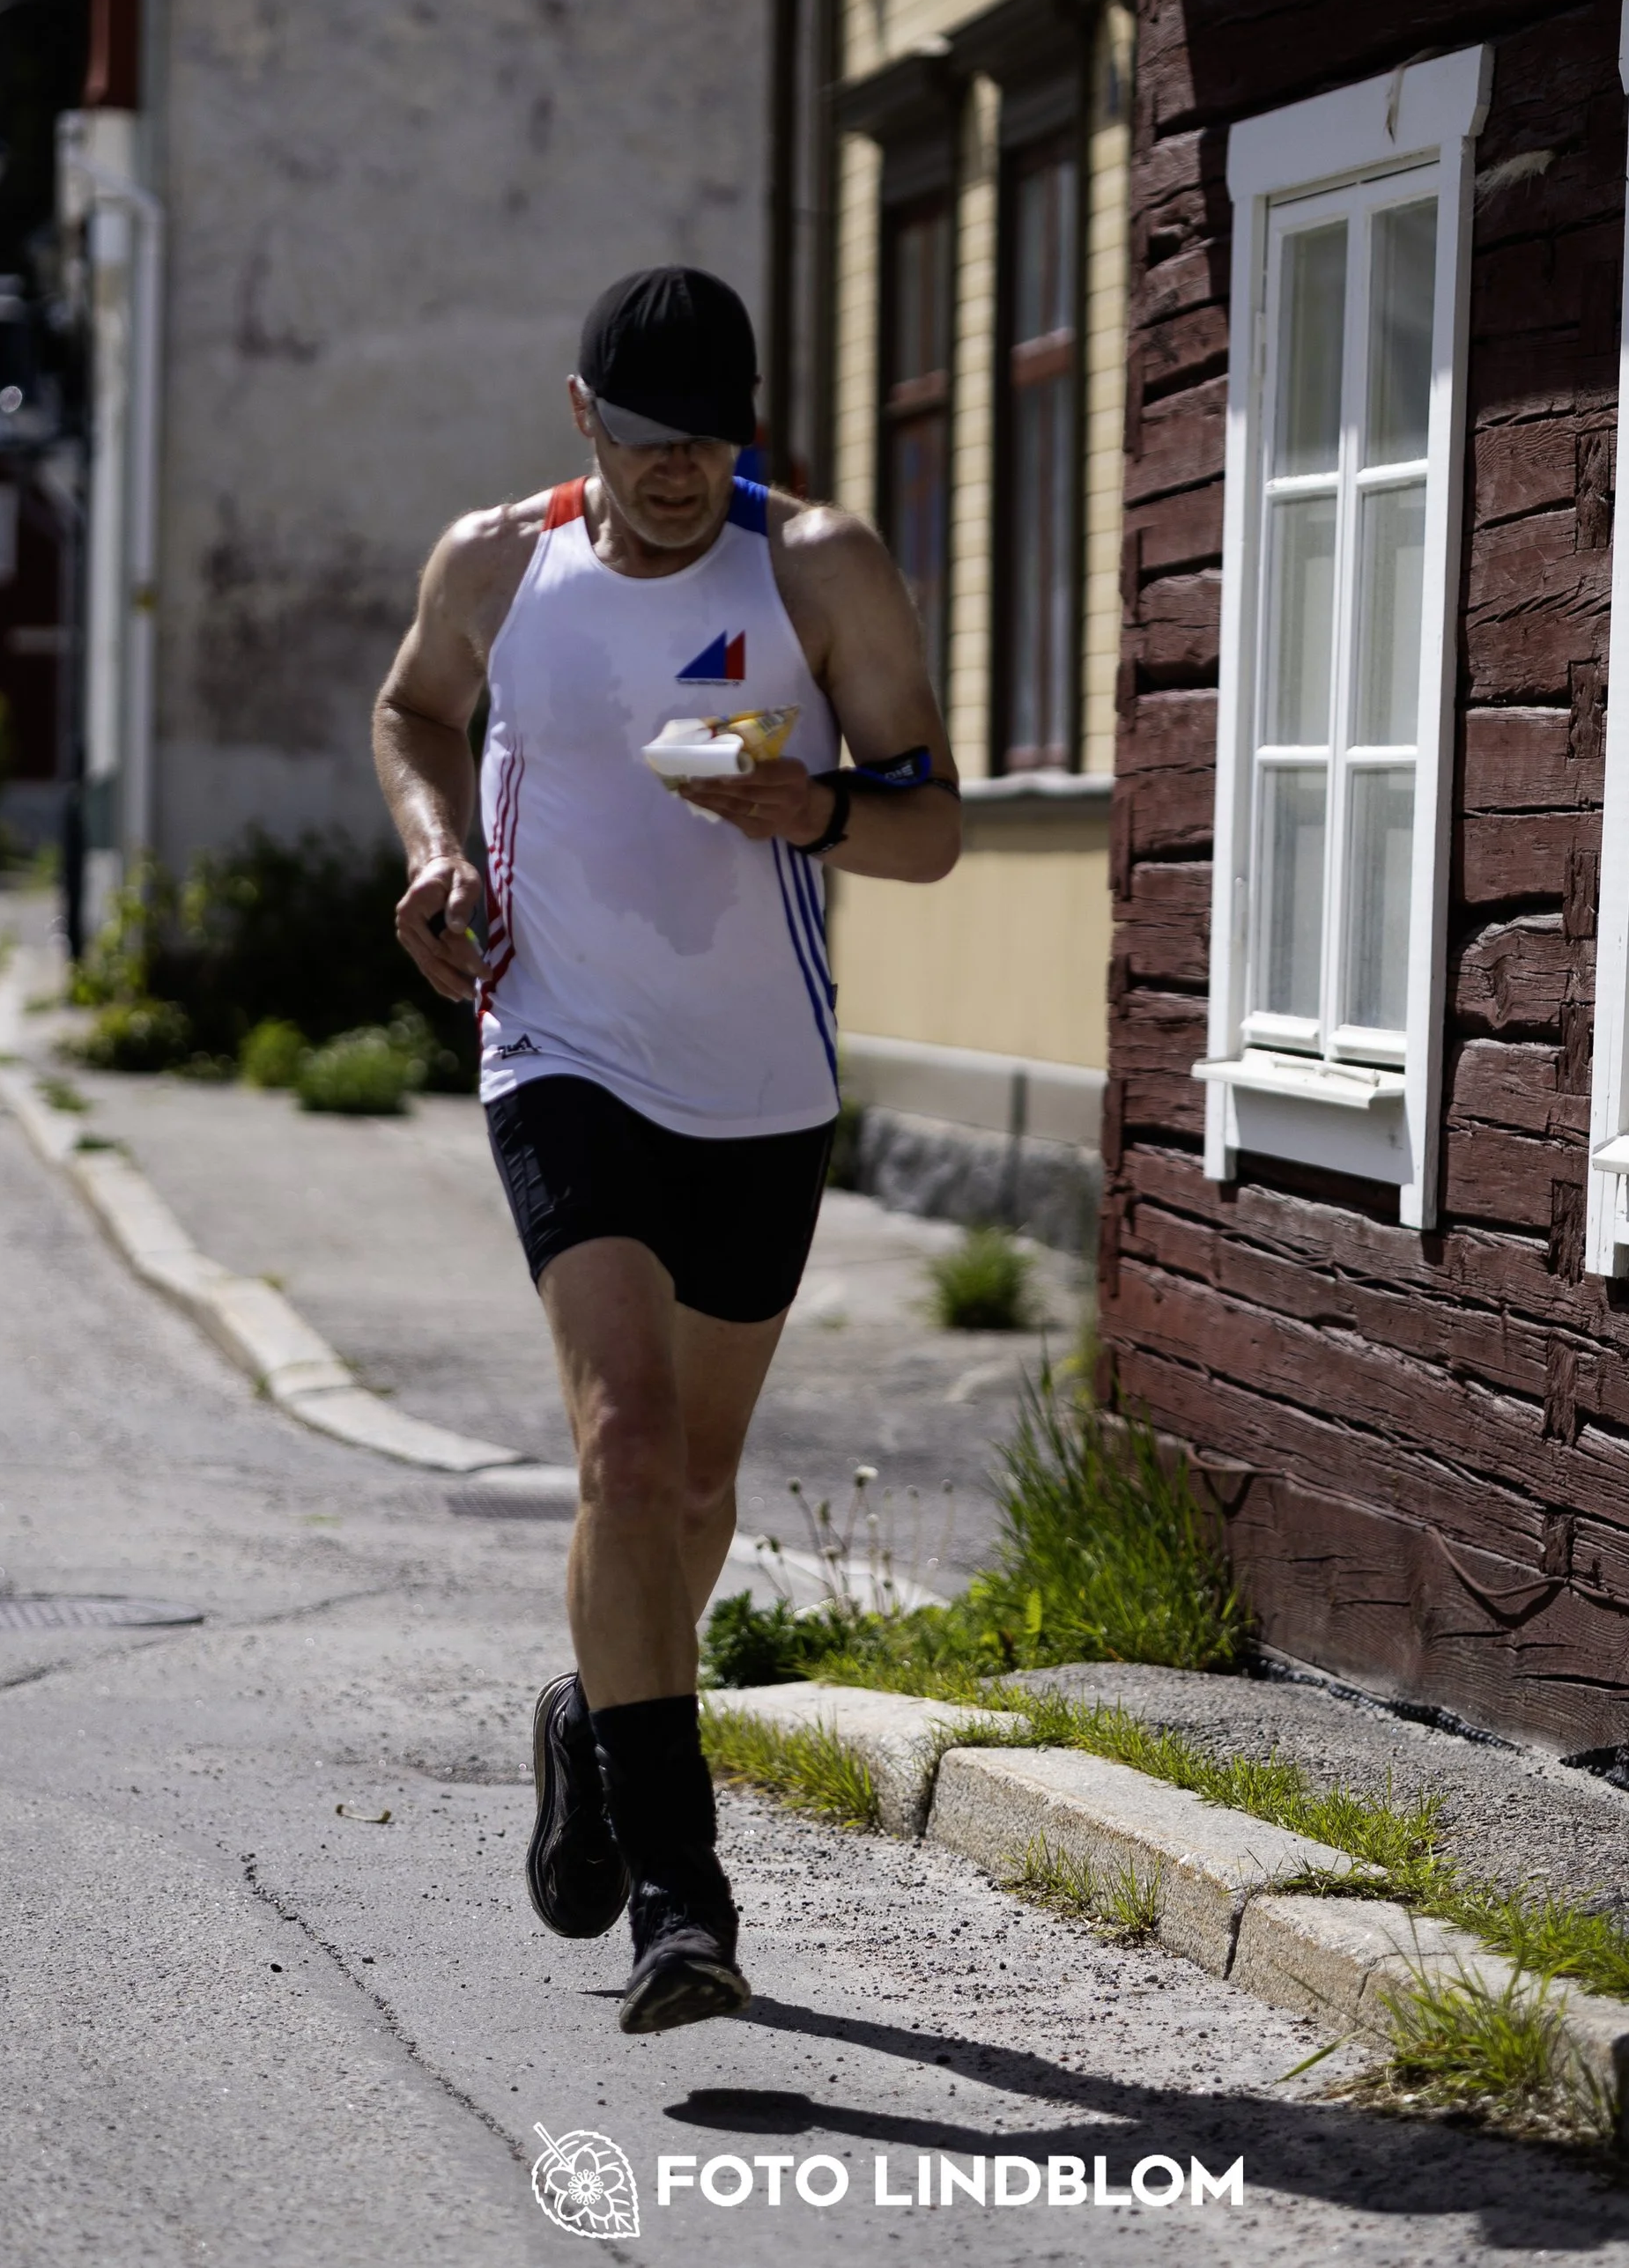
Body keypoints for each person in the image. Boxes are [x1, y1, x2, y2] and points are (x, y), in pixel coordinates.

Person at [372, 267, 959, 2034]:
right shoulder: (496, 560)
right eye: (644, 441)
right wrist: (430, 851)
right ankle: (679, 1894)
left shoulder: (815, 567)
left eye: (708, 438)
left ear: (746, 428)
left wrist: (827, 807)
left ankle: (592, 1708)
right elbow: (413, 712)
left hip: (759, 1083)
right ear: (583, 422)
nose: (675, 473)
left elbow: (930, 824)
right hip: (552, 1048)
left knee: (690, 1496)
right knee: (624, 1450)